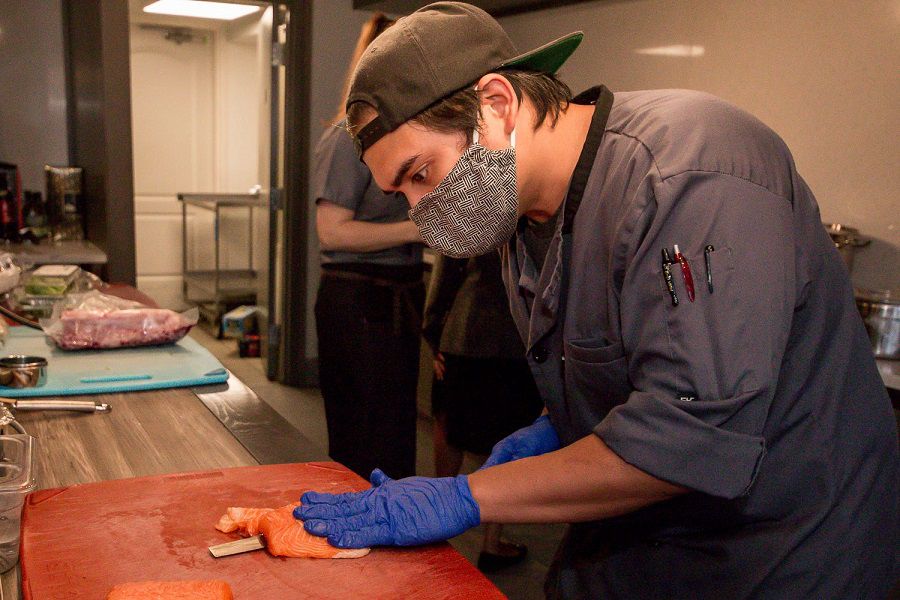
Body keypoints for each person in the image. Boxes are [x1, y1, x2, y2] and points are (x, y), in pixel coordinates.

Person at [296, 3, 898, 598]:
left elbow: (689, 434)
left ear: (498, 106)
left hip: (779, 553)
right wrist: (555, 428)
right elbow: (617, 362)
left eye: (420, 174)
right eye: (399, 193)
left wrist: (466, 497)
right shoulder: (517, 212)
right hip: (640, 542)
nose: (419, 212)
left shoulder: (690, 173)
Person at [312, 13, 424, 480]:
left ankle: (392, 533)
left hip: (398, 297)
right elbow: (332, 232)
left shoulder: (409, 135)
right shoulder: (347, 138)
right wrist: (419, 229)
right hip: (358, 302)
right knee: (362, 434)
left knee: (395, 431)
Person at [423, 251, 543, 572]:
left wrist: (435, 335)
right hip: (520, 337)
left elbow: (444, 274)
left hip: (465, 331)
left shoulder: (471, 209)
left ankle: (439, 523)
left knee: (448, 425)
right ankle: (492, 541)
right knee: (509, 438)